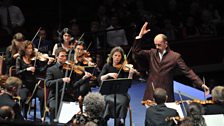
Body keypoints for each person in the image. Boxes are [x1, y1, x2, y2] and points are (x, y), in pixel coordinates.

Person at [132, 22, 209, 102]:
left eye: (159, 45)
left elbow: (187, 71)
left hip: (166, 93)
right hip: (151, 92)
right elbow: (136, 52)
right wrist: (140, 36)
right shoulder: (152, 53)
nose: (157, 47)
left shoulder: (175, 56)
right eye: (155, 45)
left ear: (166, 43)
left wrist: (201, 84)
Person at [45, 47, 92, 122]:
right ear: (57, 57)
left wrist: (84, 78)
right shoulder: (51, 69)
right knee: (54, 108)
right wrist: (61, 80)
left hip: (67, 96)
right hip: (55, 96)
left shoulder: (69, 69)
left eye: (65, 56)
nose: (64, 58)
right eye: (62, 56)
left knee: (76, 108)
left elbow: (73, 86)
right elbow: (47, 83)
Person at [98, 46, 137, 125]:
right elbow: (100, 78)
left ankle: (120, 121)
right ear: (112, 56)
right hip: (108, 93)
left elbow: (128, 84)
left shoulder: (124, 68)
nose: (117, 58)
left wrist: (130, 74)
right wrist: (108, 75)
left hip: (121, 93)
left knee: (122, 102)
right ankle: (103, 120)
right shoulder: (107, 66)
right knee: (105, 101)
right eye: (115, 55)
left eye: (119, 56)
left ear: (122, 57)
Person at [16, 41, 52, 120]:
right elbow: (17, 72)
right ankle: (23, 116)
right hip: (24, 85)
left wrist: (48, 64)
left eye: (31, 48)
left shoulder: (34, 60)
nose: (31, 50)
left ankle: (42, 116)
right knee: (23, 98)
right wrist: (27, 69)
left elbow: (41, 71)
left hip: (34, 85)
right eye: (28, 48)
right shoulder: (19, 59)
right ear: (24, 49)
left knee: (42, 95)